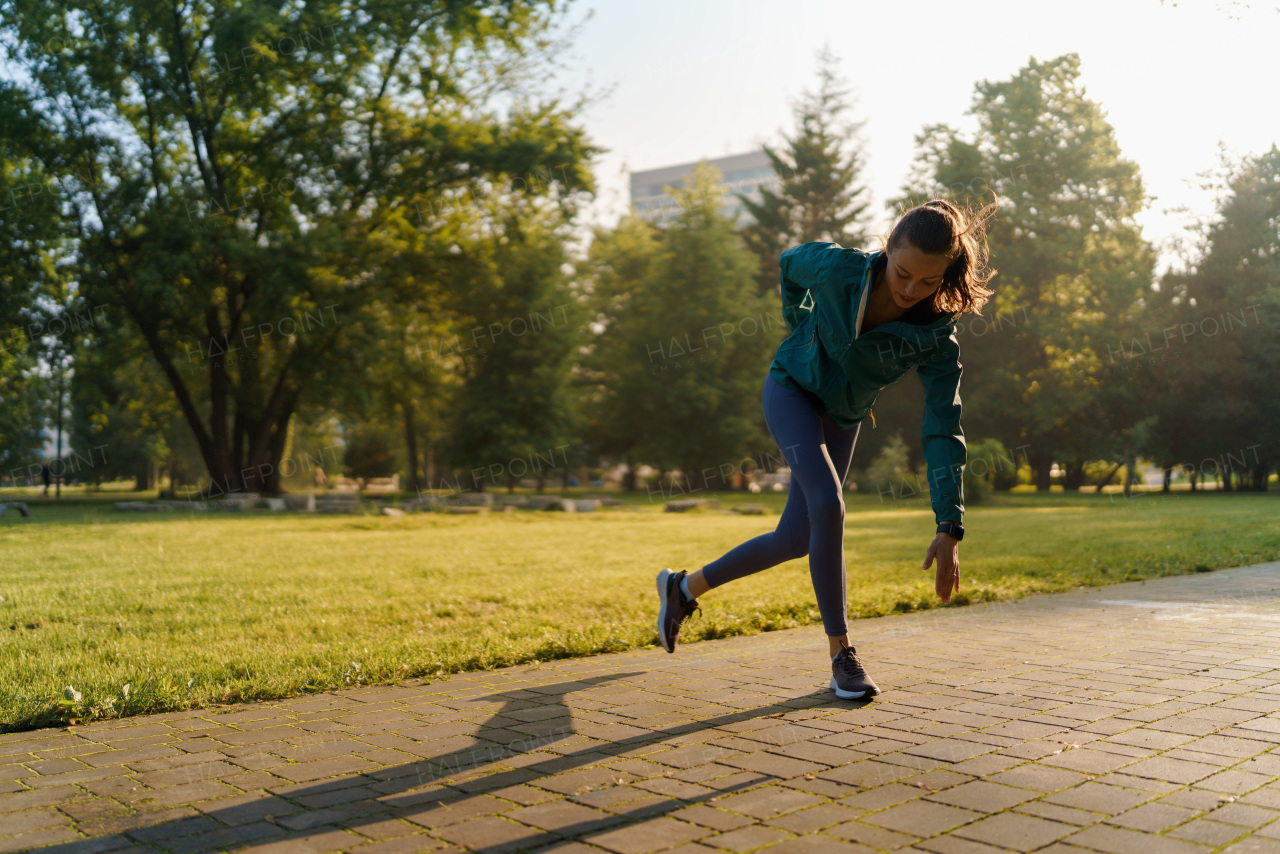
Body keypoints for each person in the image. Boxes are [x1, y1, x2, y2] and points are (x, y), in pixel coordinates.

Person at [656, 199, 997, 701]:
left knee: (795, 538)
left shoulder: (936, 337)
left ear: (945, 275)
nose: (910, 290)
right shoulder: (840, 269)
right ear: (886, 249)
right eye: (903, 273)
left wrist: (949, 523)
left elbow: (943, 426)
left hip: (842, 416)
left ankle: (683, 589)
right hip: (791, 389)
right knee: (828, 503)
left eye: (928, 282)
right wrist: (801, 330)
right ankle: (842, 653)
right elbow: (789, 264)